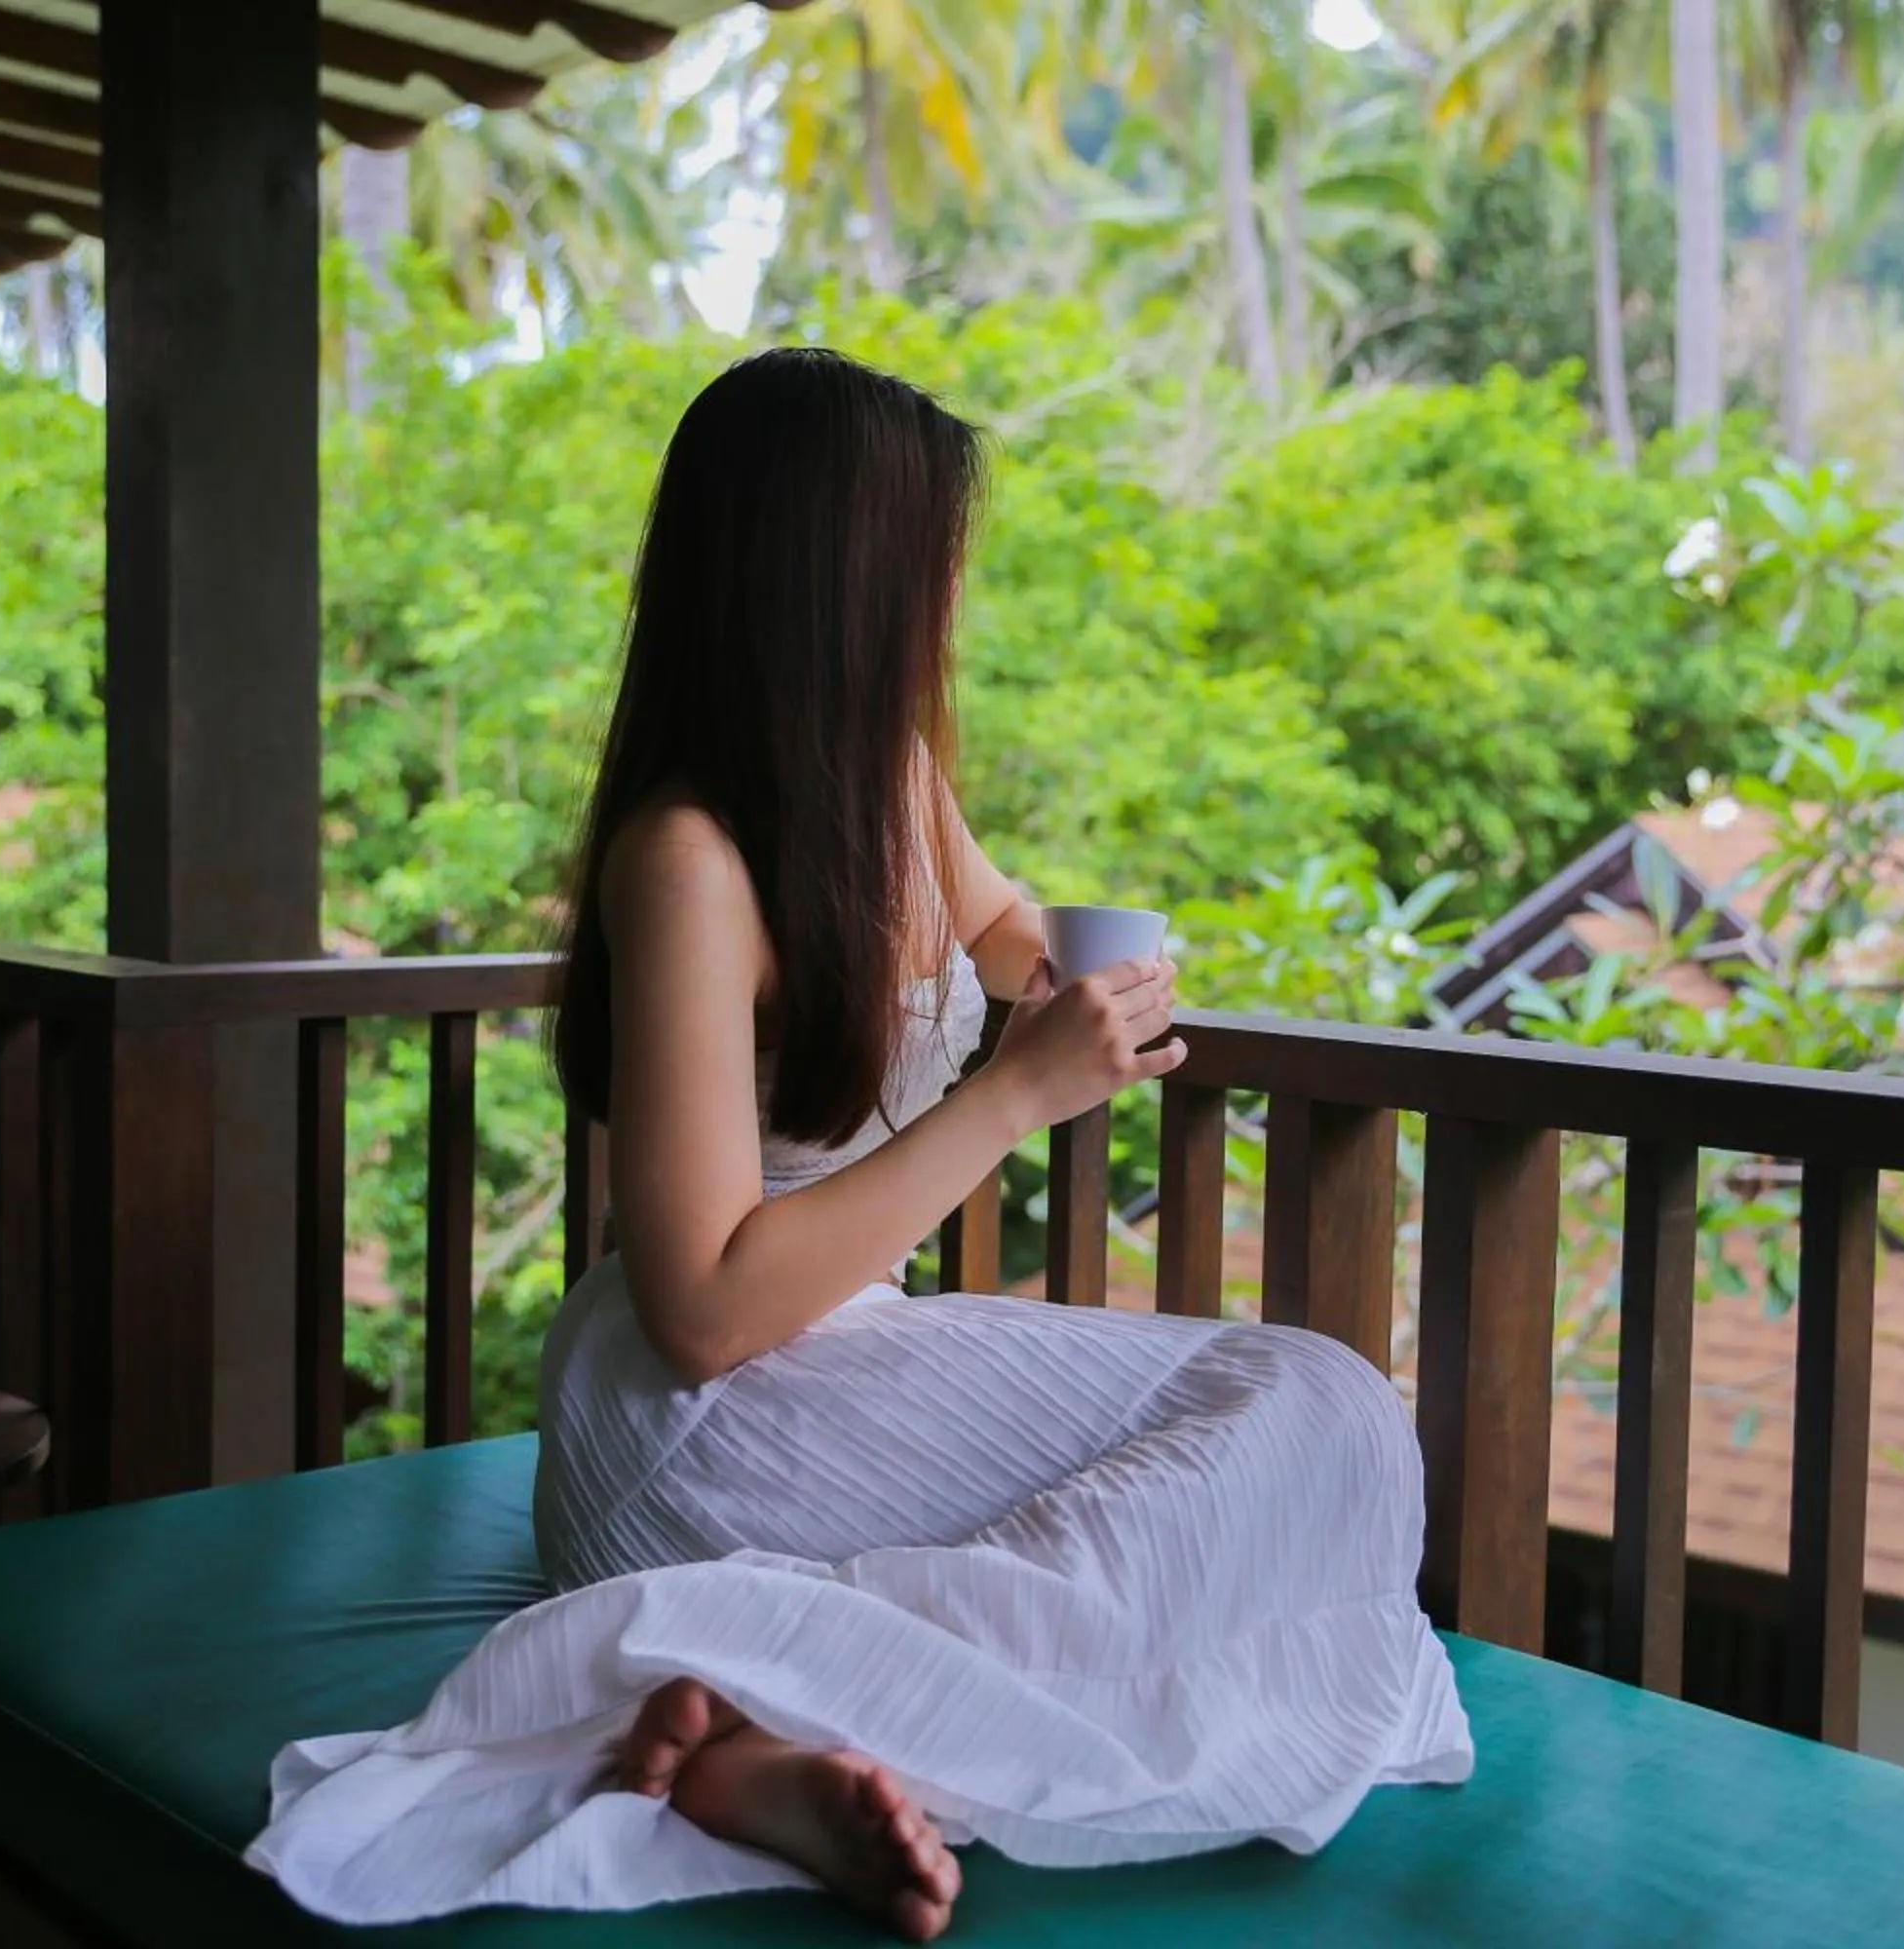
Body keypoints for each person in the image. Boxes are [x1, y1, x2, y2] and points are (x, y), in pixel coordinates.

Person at [248, 349, 1469, 1940]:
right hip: (699, 1417)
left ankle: (773, 1731)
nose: (949, 596)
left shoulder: (889, 781)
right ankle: (766, 1715)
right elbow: (704, 1309)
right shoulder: (686, 859)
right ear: (837, 573)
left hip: (855, 1360)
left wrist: (1065, 974)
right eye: (930, 559)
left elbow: (1001, 926)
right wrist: (1015, 1096)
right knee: (1310, 1417)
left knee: (1329, 1416)